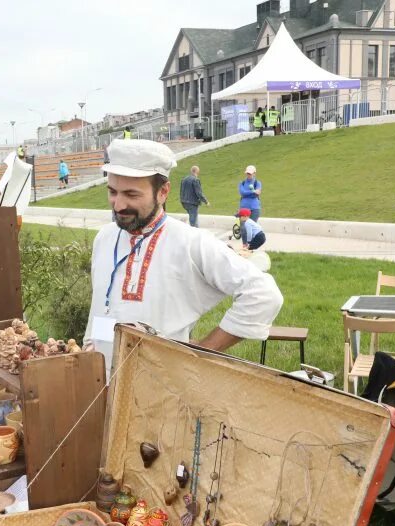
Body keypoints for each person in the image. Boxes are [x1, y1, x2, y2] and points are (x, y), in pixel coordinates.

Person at [83, 139, 282, 370]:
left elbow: (263, 294)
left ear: (163, 192)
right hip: (101, 382)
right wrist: (90, 344)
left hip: (163, 386)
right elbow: (102, 303)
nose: (118, 205)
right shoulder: (105, 238)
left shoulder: (190, 242)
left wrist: (201, 353)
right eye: (112, 192)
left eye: (131, 195)